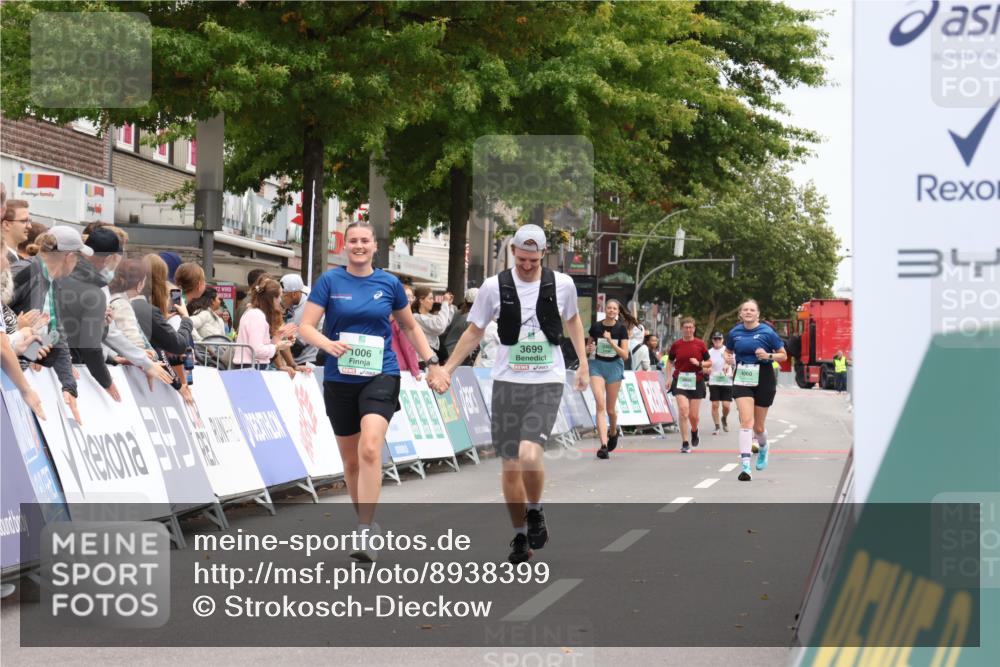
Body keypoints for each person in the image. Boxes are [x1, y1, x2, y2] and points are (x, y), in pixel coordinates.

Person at [434, 224, 588, 564]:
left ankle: (535, 511)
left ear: (543, 255)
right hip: (507, 383)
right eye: (521, 259)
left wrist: (584, 365)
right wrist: (447, 368)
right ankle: (520, 537)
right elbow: (474, 331)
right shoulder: (494, 286)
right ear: (512, 253)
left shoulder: (562, 285)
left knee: (530, 454)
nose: (527, 265)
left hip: (546, 381)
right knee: (510, 465)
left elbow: (574, 322)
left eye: (533, 260)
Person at [299, 221, 446, 563]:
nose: (359, 246)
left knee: (369, 448)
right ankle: (365, 520)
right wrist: (327, 344)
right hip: (339, 376)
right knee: (351, 462)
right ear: (345, 245)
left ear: (374, 245)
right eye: (353, 241)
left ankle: (364, 530)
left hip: (381, 372)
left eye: (365, 240)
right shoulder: (330, 281)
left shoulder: (388, 283)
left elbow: (409, 326)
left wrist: (432, 362)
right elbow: (306, 325)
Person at [56, 228, 172, 400]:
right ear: (110, 258)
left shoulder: (72, 275)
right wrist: (108, 381)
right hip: (63, 363)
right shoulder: (94, 287)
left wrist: (114, 357)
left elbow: (89, 330)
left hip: (58, 359)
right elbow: (93, 340)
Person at [724, 299, 788, 481]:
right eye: (745, 310)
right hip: (743, 376)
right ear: (741, 314)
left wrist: (768, 355)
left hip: (764, 377)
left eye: (752, 310)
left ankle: (763, 447)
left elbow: (783, 355)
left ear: (757, 314)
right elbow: (727, 351)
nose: (749, 312)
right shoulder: (735, 332)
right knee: (746, 422)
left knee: (759, 428)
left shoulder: (767, 332)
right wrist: (728, 358)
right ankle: (745, 467)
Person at [588, 299, 633, 459]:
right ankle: (604, 445)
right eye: (609, 308)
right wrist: (589, 349)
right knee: (600, 405)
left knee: (610, 410)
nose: (611, 310)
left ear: (618, 312)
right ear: (605, 309)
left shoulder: (621, 329)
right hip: (596, 366)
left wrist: (610, 342)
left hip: (614, 367)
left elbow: (625, 355)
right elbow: (589, 348)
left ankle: (613, 431)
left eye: (615, 308)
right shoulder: (596, 327)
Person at [666, 317, 711, 453]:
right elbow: (669, 362)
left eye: (691, 327)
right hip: (680, 380)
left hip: (697, 381)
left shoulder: (700, 344)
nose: (688, 330)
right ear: (682, 329)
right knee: (683, 410)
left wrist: (699, 363)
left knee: (693, 416)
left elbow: (709, 362)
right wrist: (668, 378)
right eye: (686, 327)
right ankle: (685, 442)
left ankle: (694, 430)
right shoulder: (676, 345)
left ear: (694, 329)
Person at [232, 277, 295, 370]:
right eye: (279, 296)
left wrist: (279, 336)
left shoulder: (255, 313)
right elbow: (257, 350)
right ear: (272, 299)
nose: (280, 300)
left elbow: (258, 347)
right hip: (251, 368)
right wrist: (277, 346)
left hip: (250, 366)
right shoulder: (257, 315)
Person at [412, 286, 455, 363]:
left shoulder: (428, 316)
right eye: (430, 298)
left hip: (431, 357)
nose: (433, 301)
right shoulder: (416, 317)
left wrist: (448, 305)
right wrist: (444, 303)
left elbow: (445, 322)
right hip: (422, 360)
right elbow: (439, 326)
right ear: (421, 300)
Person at [706, 331, 733, 435]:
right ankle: (717, 426)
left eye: (719, 339)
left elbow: (733, 361)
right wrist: (707, 369)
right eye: (715, 339)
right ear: (712, 340)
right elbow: (705, 365)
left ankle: (724, 418)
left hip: (726, 381)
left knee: (726, 406)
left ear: (722, 340)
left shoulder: (728, 350)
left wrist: (729, 365)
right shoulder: (709, 352)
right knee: (714, 405)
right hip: (714, 381)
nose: (717, 341)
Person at [443, 288, 479, 364]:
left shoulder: (457, 313)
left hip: (447, 351)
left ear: (465, 300)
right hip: (458, 355)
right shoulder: (471, 318)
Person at [2, 199, 31, 274]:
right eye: (24, 221)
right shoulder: (3, 261)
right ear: (6, 225)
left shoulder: (16, 258)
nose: (29, 226)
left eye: (29, 221)